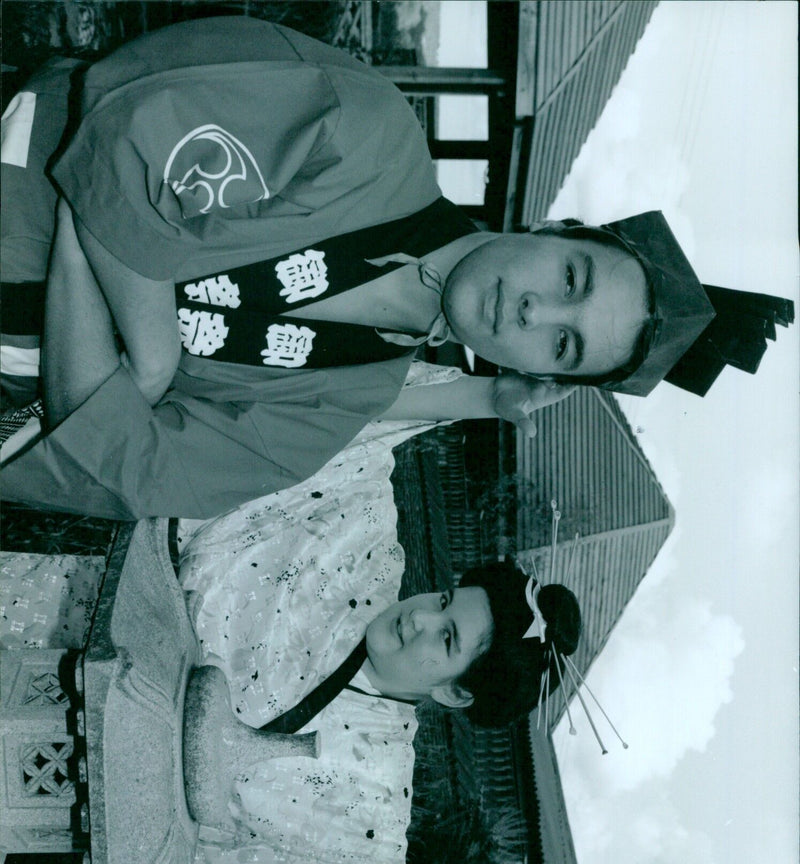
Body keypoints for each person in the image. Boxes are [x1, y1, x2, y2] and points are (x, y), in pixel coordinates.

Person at [2, 16, 791, 518]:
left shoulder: (340, 403)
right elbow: (128, 119)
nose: (535, 312)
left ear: (542, 372)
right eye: (571, 280)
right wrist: (147, 358)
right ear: (556, 227)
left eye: (563, 344)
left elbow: (120, 470)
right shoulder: (364, 129)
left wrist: (95, 227)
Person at [175, 414, 585, 864]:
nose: (419, 616)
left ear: (456, 691)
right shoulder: (358, 543)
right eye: (443, 599)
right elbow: (361, 417)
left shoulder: (374, 792)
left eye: (446, 637)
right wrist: (486, 395)